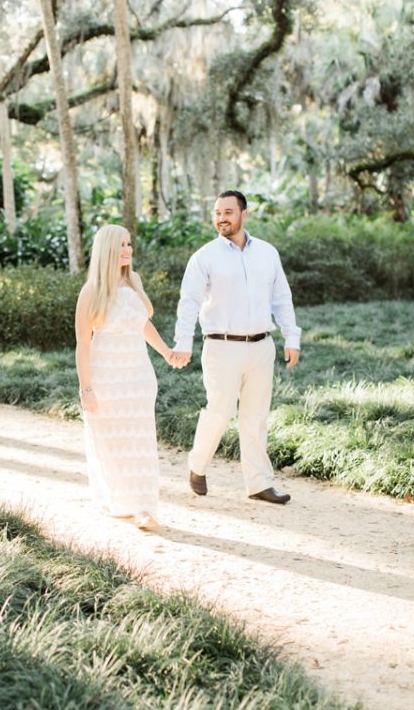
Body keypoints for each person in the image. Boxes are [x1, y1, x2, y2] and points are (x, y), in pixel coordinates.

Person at [171, 190, 301, 505]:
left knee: (255, 416)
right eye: (217, 213)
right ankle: (197, 465)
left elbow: (282, 297)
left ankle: (258, 484)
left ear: (244, 214)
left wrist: (291, 337)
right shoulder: (204, 256)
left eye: (228, 212)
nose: (221, 218)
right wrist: (183, 342)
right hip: (220, 346)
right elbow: (188, 302)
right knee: (220, 410)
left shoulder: (268, 253)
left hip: (261, 345)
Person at [75, 224, 179, 530]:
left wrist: (166, 352)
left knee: (141, 442)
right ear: (106, 249)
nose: (127, 250)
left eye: (129, 244)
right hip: (106, 378)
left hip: (138, 376)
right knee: (111, 444)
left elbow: (142, 324)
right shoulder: (91, 291)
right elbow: (83, 344)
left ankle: (143, 507)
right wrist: (86, 388)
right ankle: (121, 500)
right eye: (121, 245)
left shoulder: (135, 280)